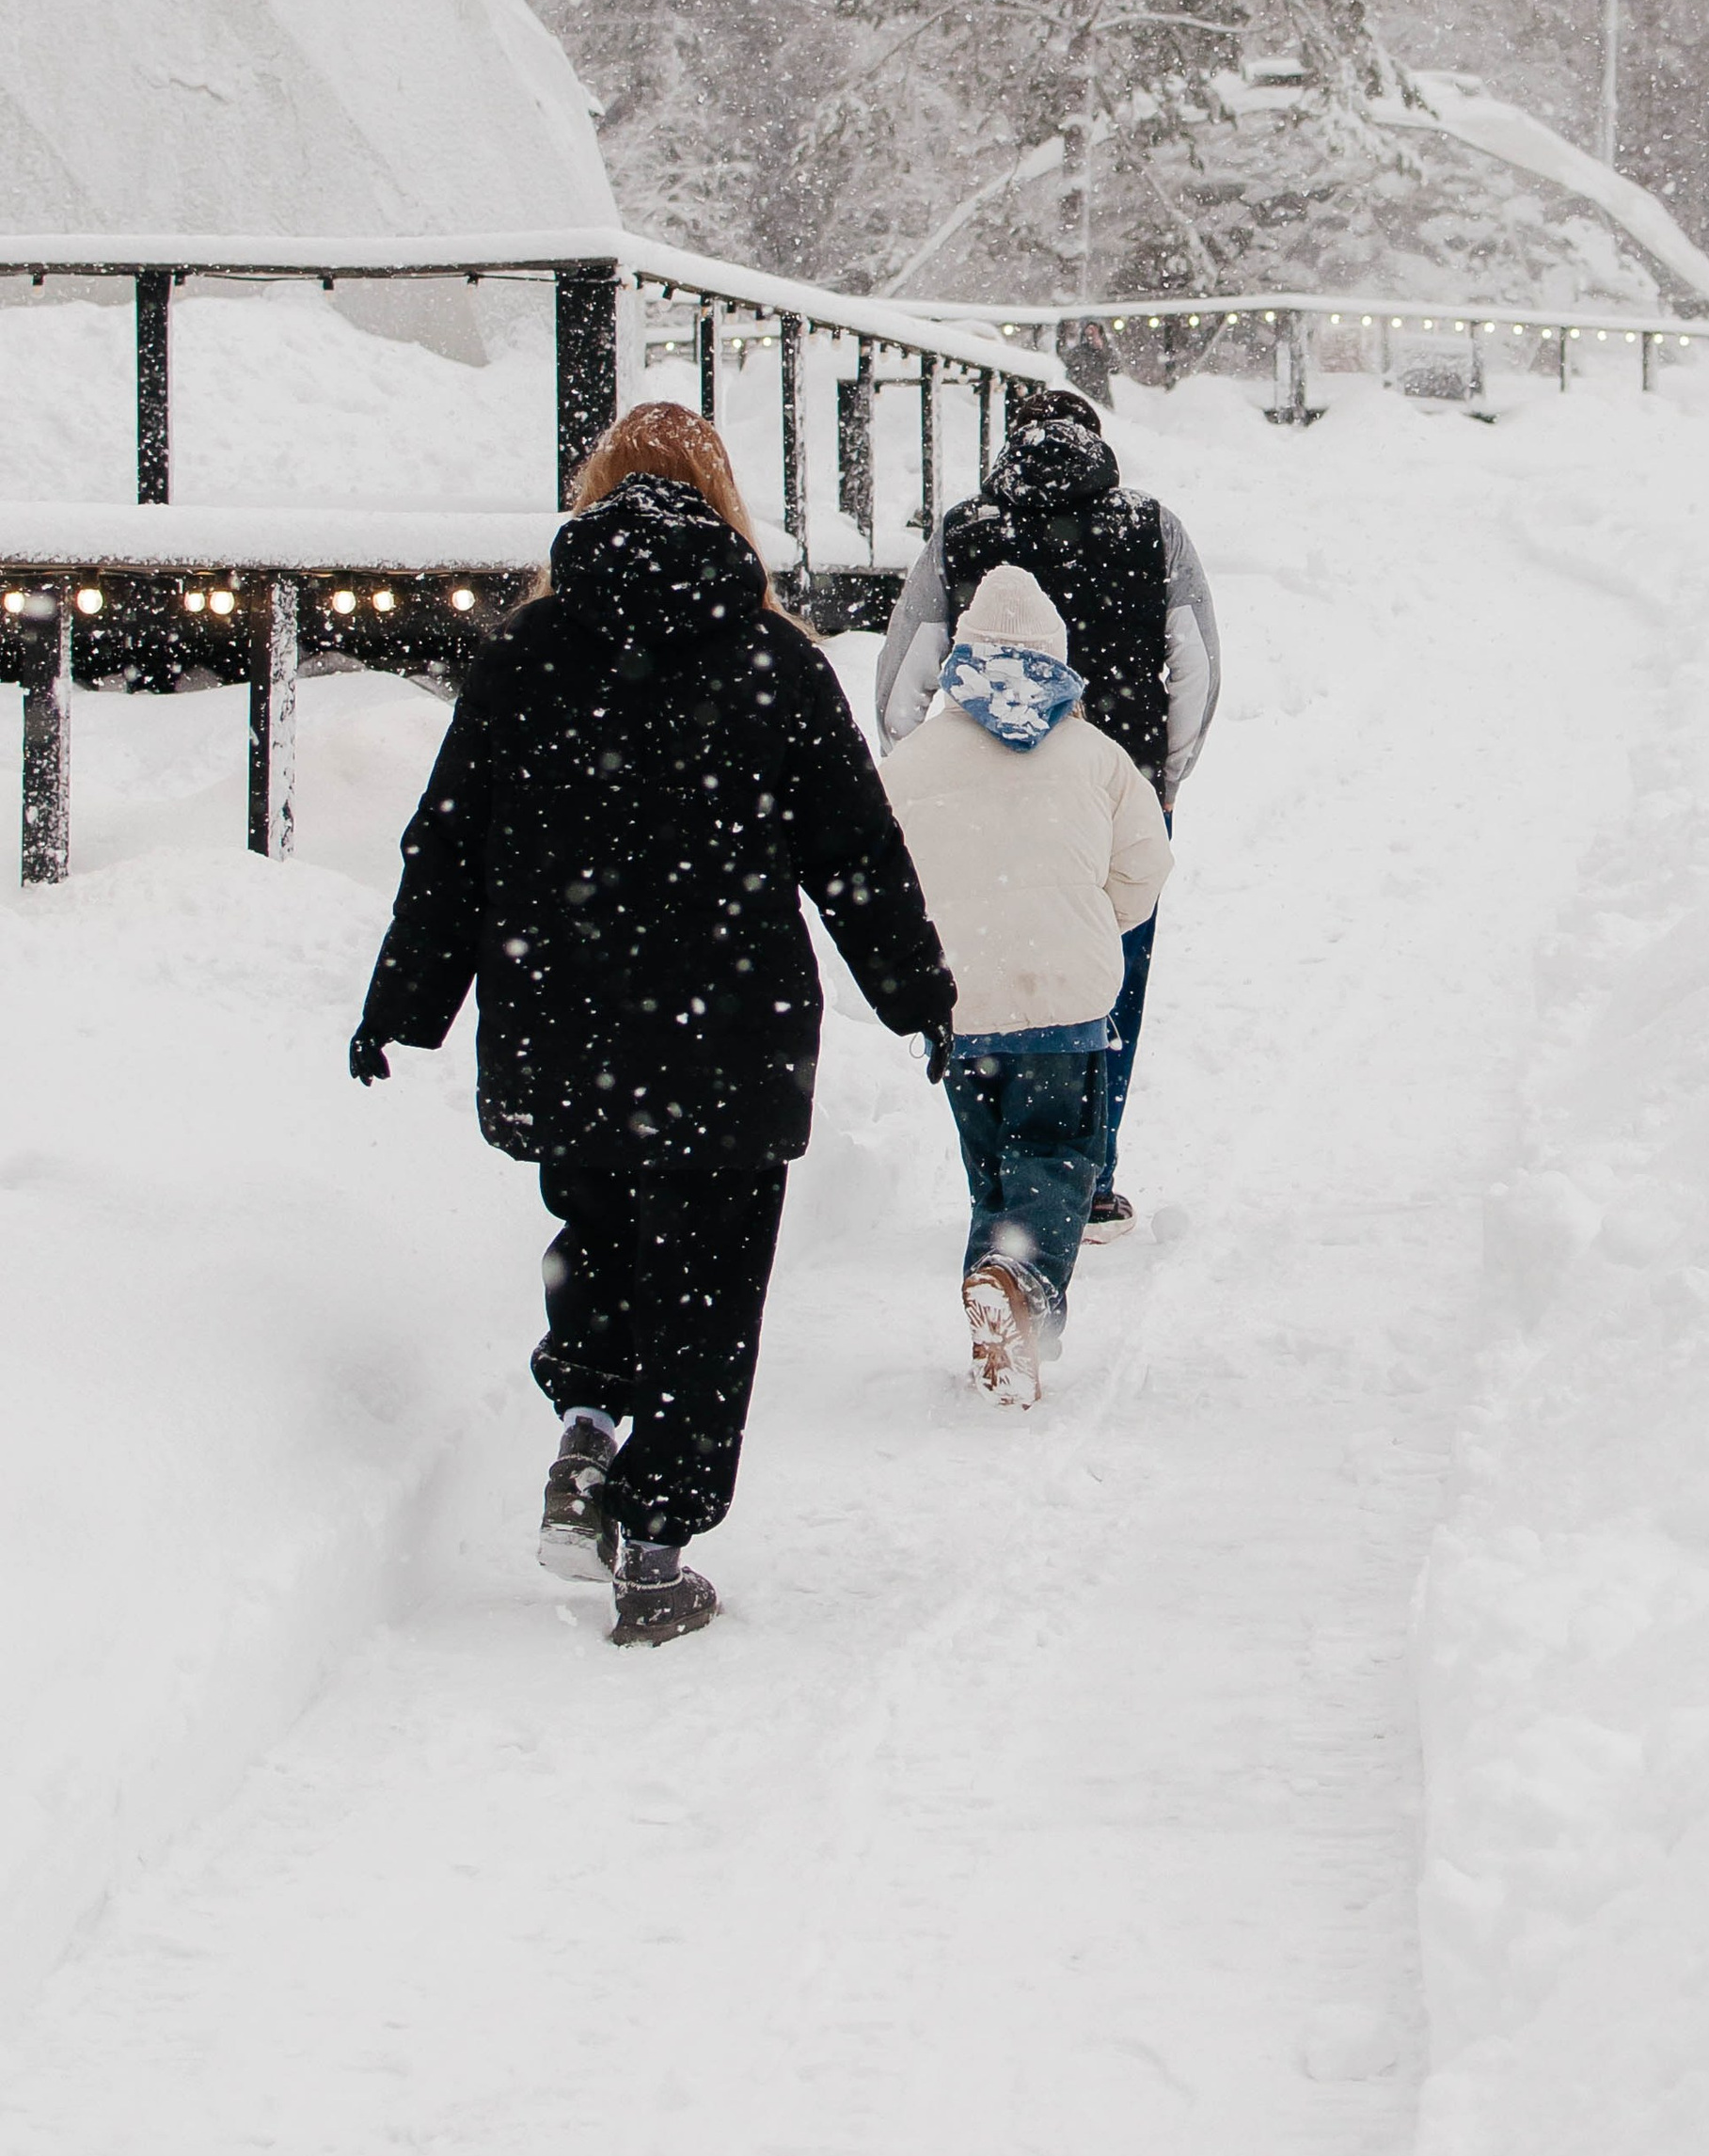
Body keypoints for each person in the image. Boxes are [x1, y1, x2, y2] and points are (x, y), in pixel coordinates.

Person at [349, 403, 954, 1650]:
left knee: (601, 1237)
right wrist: (920, 994)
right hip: (727, 1032)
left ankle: (587, 1426)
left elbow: (449, 847)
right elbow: (854, 852)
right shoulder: (773, 658)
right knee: (709, 1286)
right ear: (723, 504)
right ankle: (659, 1546)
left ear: (596, 495)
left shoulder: (527, 651)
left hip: (564, 1021)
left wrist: (404, 1003)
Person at [875, 386, 1217, 1234]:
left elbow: (902, 677)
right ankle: (1082, 1180)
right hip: (1108, 784)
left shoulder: (963, 528)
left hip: (969, 792)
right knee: (1109, 976)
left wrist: (919, 774)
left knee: (973, 962)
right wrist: (1163, 777)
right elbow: (1197, 666)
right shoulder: (1152, 526)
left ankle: (998, 1181)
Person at [881, 565, 1172, 1406]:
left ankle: (997, 1313)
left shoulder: (914, 762)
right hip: (1064, 1004)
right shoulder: (1099, 756)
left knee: (994, 1170)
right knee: (1056, 1155)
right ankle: (1020, 1286)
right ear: (1059, 659)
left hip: (962, 1005)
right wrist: (1094, 928)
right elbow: (1144, 866)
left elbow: (885, 874)